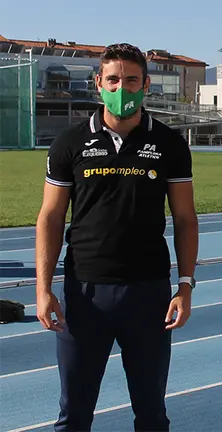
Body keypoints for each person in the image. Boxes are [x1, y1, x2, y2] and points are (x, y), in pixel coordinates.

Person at [35, 43, 199, 432]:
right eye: (113, 80)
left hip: (148, 295)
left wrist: (186, 285)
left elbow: (185, 218)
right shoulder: (70, 143)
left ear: (145, 86)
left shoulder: (169, 143)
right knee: (73, 415)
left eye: (130, 80)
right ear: (98, 84)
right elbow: (51, 216)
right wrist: (43, 288)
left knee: (151, 414)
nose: (121, 88)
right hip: (85, 294)